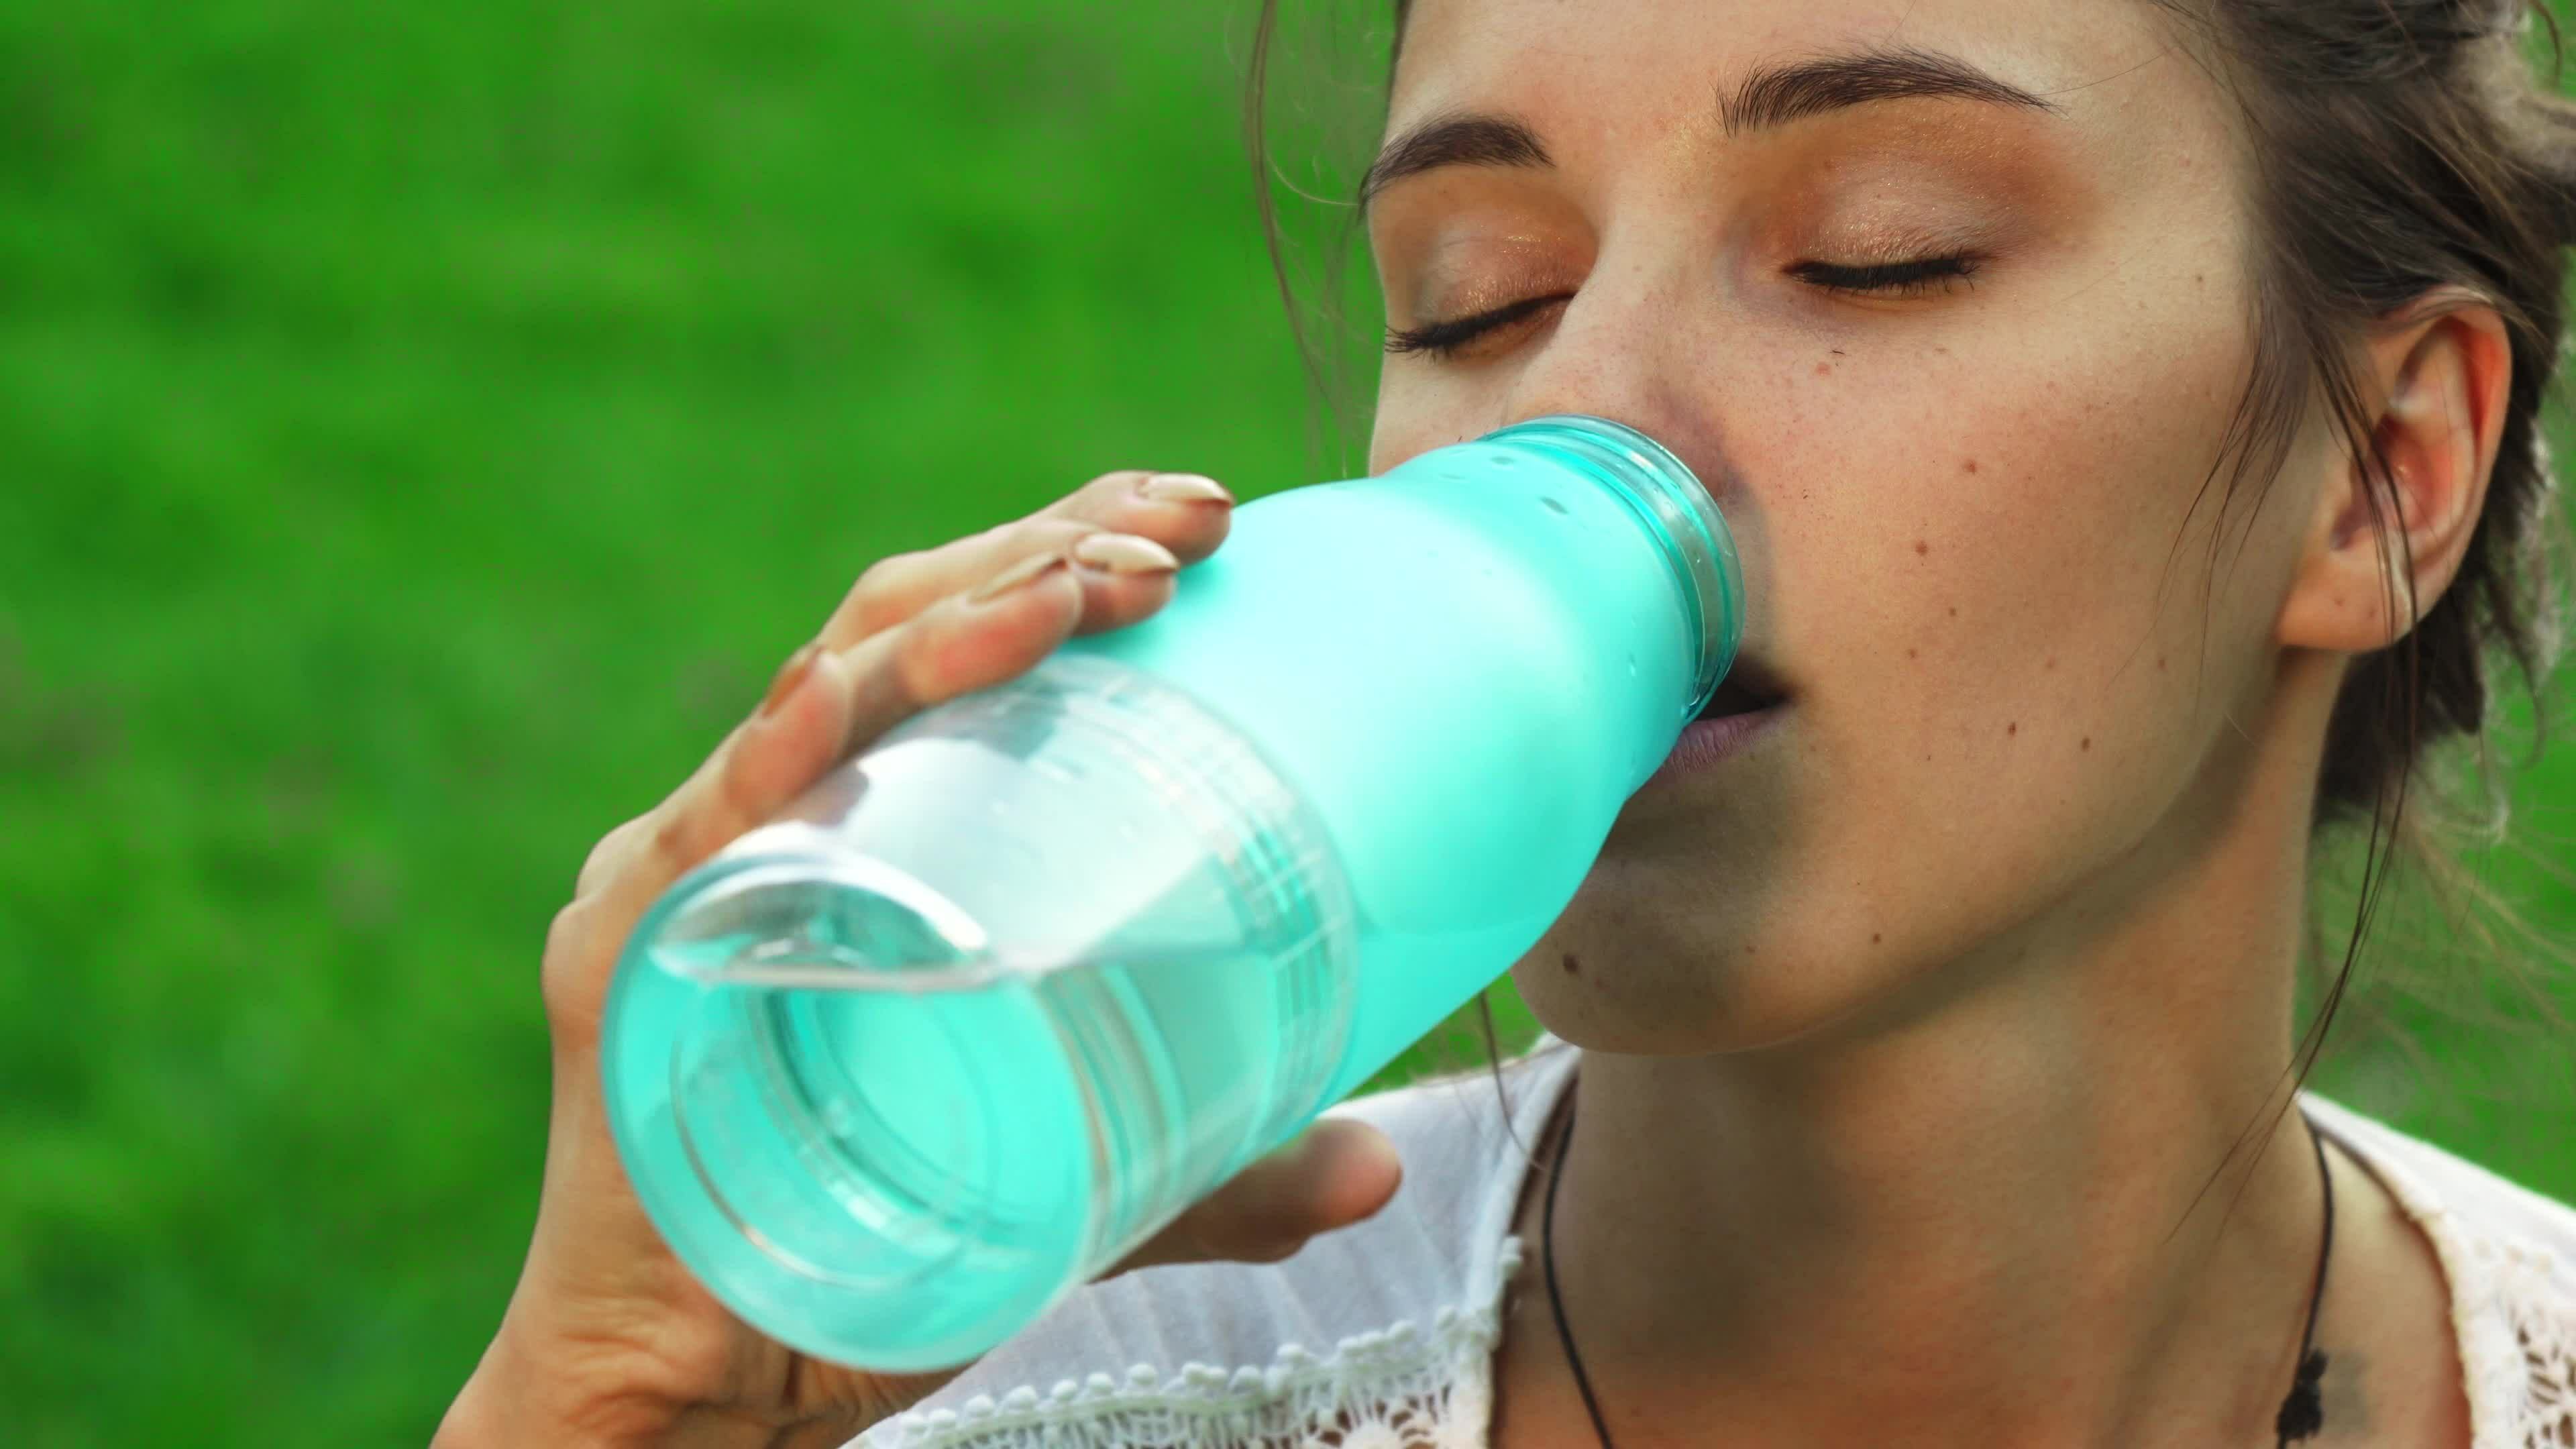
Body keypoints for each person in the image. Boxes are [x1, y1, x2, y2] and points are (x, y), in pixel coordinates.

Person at [435, 0, 2576, 1444]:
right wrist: (603, 1407)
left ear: (2384, 466)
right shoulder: (1029, 1395)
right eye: (1476, 292)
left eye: (1875, 256)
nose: (1575, 406)